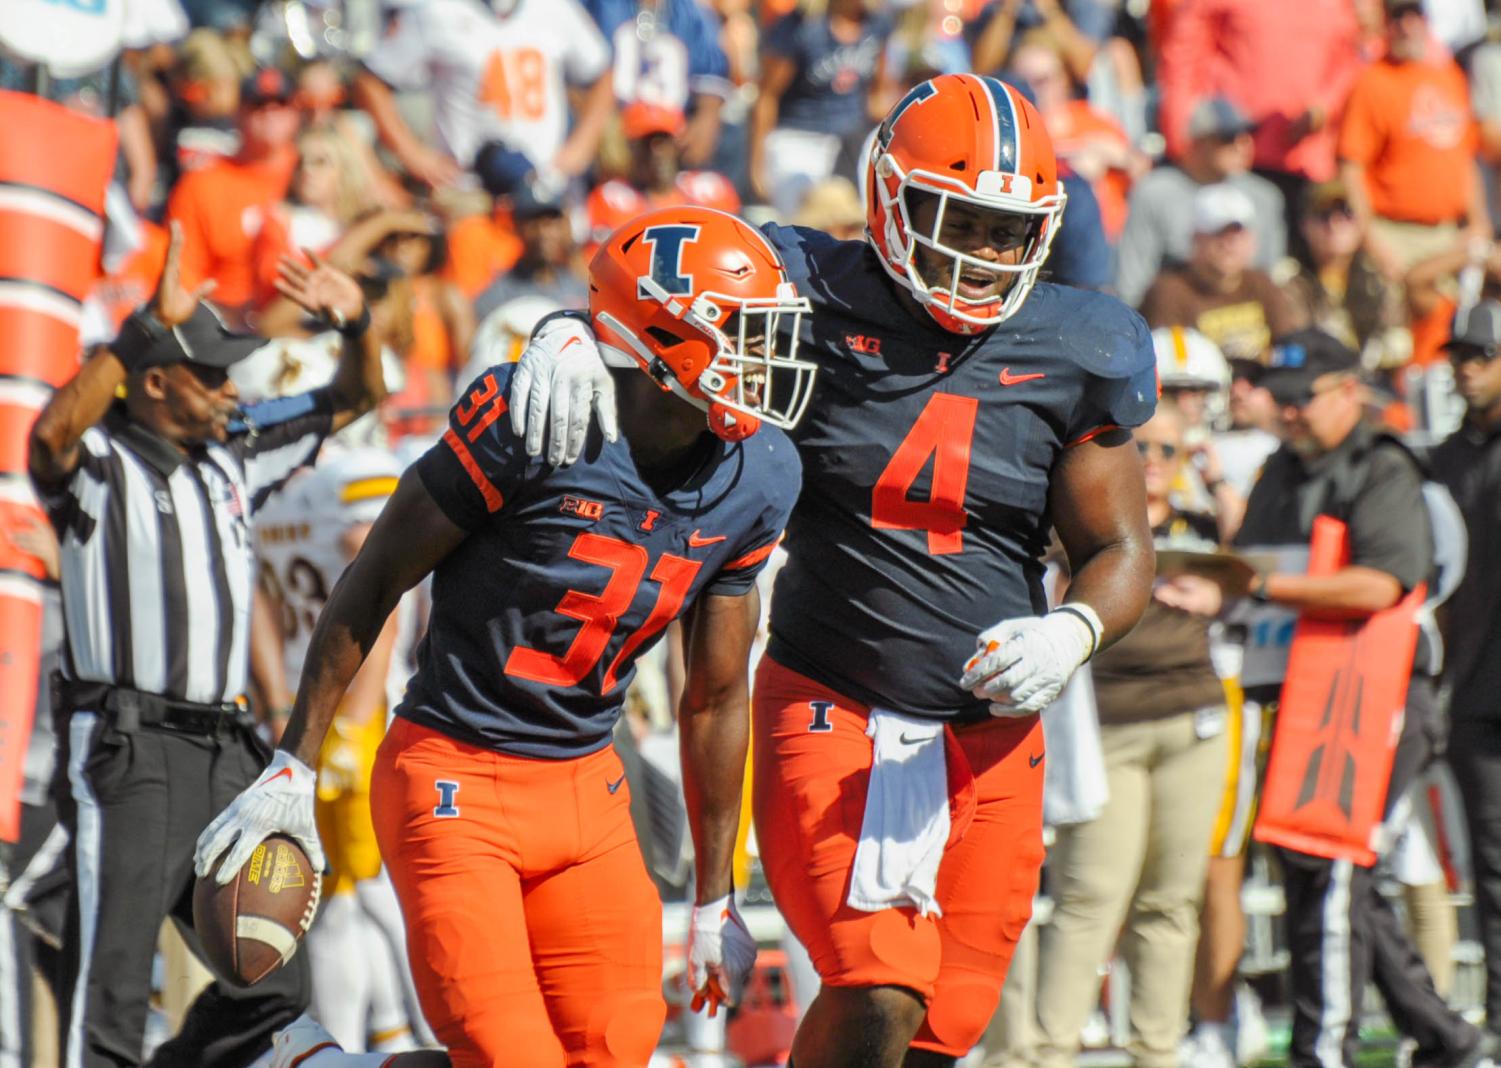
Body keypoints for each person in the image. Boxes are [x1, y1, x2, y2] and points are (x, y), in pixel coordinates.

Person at [507, 72, 1159, 1066]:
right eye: (959, 218)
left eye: (1005, 230)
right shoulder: (801, 283)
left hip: (993, 729)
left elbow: (1119, 548)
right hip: (836, 699)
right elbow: (650, 274)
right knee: (876, 989)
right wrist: (567, 327)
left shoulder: (1081, 344)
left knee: (946, 1027)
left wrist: (1071, 628)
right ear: (889, 195)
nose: (982, 254)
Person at [196, 205, 812, 1067]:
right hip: (455, 774)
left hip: (589, 791)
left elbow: (712, 693)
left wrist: (716, 894)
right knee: (510, 1054)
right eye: (737, 332)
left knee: (615, 1047)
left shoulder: (762, 471)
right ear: (661, 337)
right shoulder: (533, 419)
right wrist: (296, 761)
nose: (760, 358)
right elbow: (374, 580)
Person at [26, 223, 388, 1068]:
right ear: (154, 382)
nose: (230, 388)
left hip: (224, 751)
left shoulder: (234, 451)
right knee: (108, 990)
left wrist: (358, 323)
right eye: (210, 373)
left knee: (272, 982)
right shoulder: (102, 461)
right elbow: (49, 438)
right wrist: (139, 328)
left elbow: (353, 398)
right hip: (131, 745)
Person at [1233, 329, 1490, 1068]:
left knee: (1334, 866)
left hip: (1374, 699)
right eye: (1276, 401)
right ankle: (1449, 1039)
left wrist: (1257, 586)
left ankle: (1323, 1049)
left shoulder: (1382, 467)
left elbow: (1382, 583)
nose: (1285, 415)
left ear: (1348, 389)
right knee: (1321, 873)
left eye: (1300, 400)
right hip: (1295, 697)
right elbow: (1243, 563)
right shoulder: (1277, 471)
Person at [1031, 402, 1229, 1068]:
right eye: (1141, 450)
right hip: (1104, 730)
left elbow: (1253, 566)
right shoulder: (1082, 529)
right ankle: (1046, 1053)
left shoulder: (1203, 531)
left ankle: (1156, 1052)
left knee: (1171, 902)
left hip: (1191, 724)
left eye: (1169, 452)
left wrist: (1220, 588)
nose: (1152, 466)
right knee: (1088, 897)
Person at [255, 449, 431, 1054]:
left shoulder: (341, 472)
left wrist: (355, 719)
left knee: (378, 883)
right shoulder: (267, 479)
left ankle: (439, 1034)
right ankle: (358, 1044)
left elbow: (383, 580)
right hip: (312, 712)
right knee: (328, 894)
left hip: (359, 710)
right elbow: (260, 598)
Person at [1429, 299, 1501, 1045]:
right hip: (1474, 690)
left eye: (1480, 354)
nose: (1466, 367)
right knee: (1492, 862)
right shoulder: (1441, 461)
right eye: (1459, 355)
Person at [352, 0, 613, 189]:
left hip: (544, 183)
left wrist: (582, 146)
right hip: (468, 186)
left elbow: (602, 73)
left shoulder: (556, 9)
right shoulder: (435, 11)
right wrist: (413, 155)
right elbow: (371, 80)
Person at [1339, 0, 1489, 279]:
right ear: (1386, 25)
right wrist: (1371, 238)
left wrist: (1479, 221)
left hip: (1448, 233)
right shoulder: (1372, 82)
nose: (1407, 26)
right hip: (1395, 235)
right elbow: (1351, 167)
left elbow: (1465, 157)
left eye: (1414, 15)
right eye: (1398, 18)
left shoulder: (1449, 76)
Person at [1114, 97, 1286, 309]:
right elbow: (1132, 281)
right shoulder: (1155, 192)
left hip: (1246, 322)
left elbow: (1270, 278)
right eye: (1228, 137)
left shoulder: (1264, 197)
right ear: (1197, 143)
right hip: (1176, 322)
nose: (1242, 145)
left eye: (1247, 136)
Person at [165, 66, 302, 322]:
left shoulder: (318, 170)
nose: (270, 113)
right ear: (238, 113)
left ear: (296, 112)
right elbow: (184, 275)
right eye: (258, 104)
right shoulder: (203, 183)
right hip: (231, 323)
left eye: (280, 103)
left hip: (310, 317)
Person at [749, 0, 895, 215]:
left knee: (859, 221)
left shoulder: (878, 25)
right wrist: (757, 167)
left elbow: (877, 97)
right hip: (798, 140)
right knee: (808, 221)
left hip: (851, 143)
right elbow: (767, 96)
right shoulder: (801, 26)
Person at [1140, 182, 1304, 362]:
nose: (1229, 244)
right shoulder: (1168, 292)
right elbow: (1170, 364)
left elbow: (1290, 347)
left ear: (1252, 241)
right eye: (1218, 233)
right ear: (1195, 238)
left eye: (1238, 234)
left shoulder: (1262, 284)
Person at [585, 101, 741, 252]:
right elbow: (597, 266)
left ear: (677, 143)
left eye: (662, 141)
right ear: (631, 148)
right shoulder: (612, 199)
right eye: (646, 144)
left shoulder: (712, 190)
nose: (656, 152)